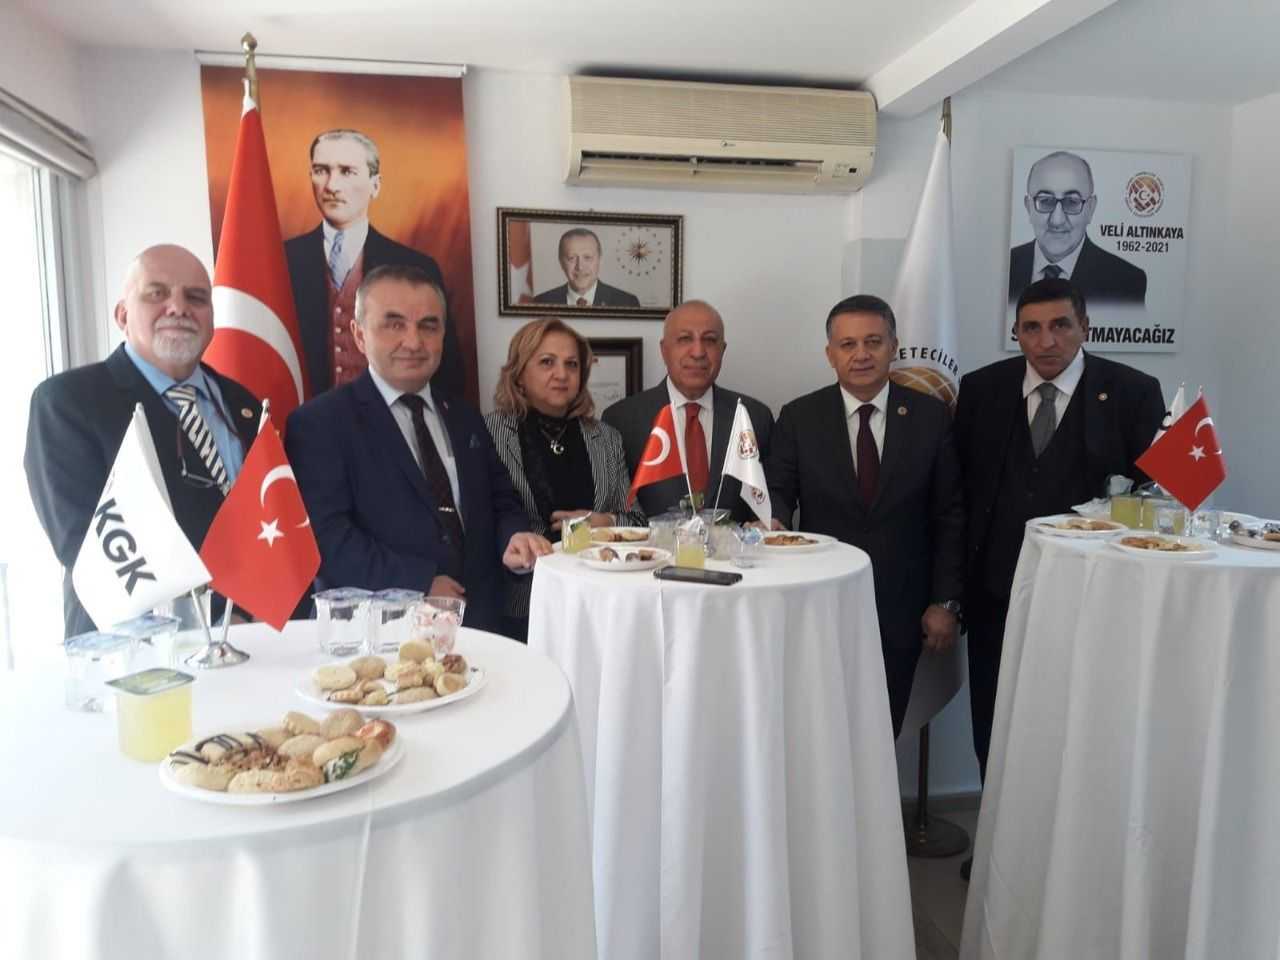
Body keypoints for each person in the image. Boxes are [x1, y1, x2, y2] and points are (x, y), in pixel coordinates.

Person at [958, 277, 1164, 782]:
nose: (1046, 341)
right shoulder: (982, 389)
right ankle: (995, 829)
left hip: (1092, 595)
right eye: (1031, 328)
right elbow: (960, 489)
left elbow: (1153, 498)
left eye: (1060, 325)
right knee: (994, 718)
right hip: (996, 592)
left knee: (1078, 722)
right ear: (1016, 332)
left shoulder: (1134, 392)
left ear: (1085, 327)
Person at [286, 264, 551, 635]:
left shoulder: (464, 415)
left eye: (428, 325)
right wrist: (419, 583)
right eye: (394, 324)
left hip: (482, 626)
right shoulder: (318, 423)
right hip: (383, 635)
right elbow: (326, 538)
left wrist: (514, 537)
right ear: (359, 335)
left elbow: (500, 499)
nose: (413, 342)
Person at [25, 244, 262, 637]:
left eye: (196, 297)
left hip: (257, 639)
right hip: (139, 652)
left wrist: (257, 615)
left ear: (211, 318)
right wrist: (217, 618)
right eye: (156, 293)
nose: (178, 308)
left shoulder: (244, 405)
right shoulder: (67, 403)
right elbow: (89, 546)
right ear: (122, 315)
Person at [767, 295, 963, 737]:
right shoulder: (799, 417)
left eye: (873, 342)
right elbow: (778, 492)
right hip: (820, 602)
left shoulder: (931, 417)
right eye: (848, 344)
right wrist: (773, 520)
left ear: (894, 346)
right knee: (820, 728)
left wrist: (946, 602)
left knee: (883, 730)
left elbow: (950, 515)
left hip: (903, 608)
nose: (861, 354)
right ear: (830, 354)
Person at [484, 318, 643, 639]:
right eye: (547, 362)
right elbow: (483, 527)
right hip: (522, 607)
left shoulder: (606, 438)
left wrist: (604, 522)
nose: (561, 374)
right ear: (518, 373)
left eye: (572, 364)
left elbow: (638, 521)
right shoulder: (488, 432)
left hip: (601, 603)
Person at [284, 128, 466, 399]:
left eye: (347, 171)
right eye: (321, 170)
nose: (332, 185)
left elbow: (447, 373)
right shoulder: (282, 260)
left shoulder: (417, 267)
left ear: (375, 185)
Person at [602, 300, 774, 520]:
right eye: (685, 339)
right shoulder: (621, 420)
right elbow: (613, 511)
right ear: (664, 350)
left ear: (722, 350)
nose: (698, 352)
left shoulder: (753, 416)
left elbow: (769, 504)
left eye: (709, 340)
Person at [1008, 150, 1147, 305]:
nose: (1057, 220)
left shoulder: (1126, 282)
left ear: (1090, 209)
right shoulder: (1006, 266)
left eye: (1072, 202)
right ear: (1028, 207)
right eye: (1045, 201)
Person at [532, 228, 640, 307]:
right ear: (561, 262)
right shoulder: (540, 303)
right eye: (571, 258)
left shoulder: (627, 303)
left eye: (587, 257)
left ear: (599, 259)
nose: (580, 267)